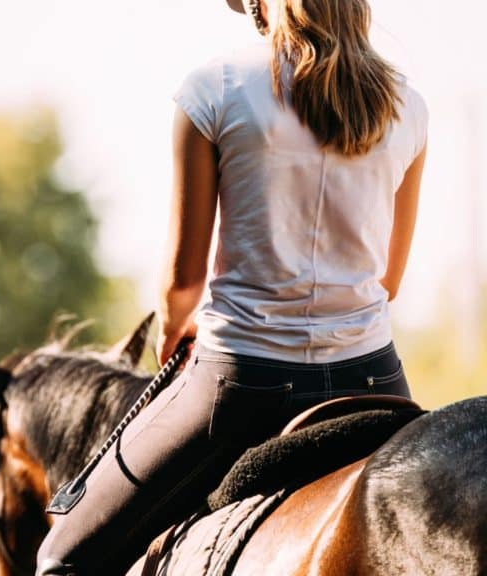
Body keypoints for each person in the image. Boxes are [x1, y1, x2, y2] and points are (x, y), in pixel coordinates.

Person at [35, 0, 429, 573]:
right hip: (372, 375)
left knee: (63, 557)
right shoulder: (408, 106)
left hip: (243, 383)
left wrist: (174, 331)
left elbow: (183, 281)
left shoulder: (212, 89)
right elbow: (387, 280)